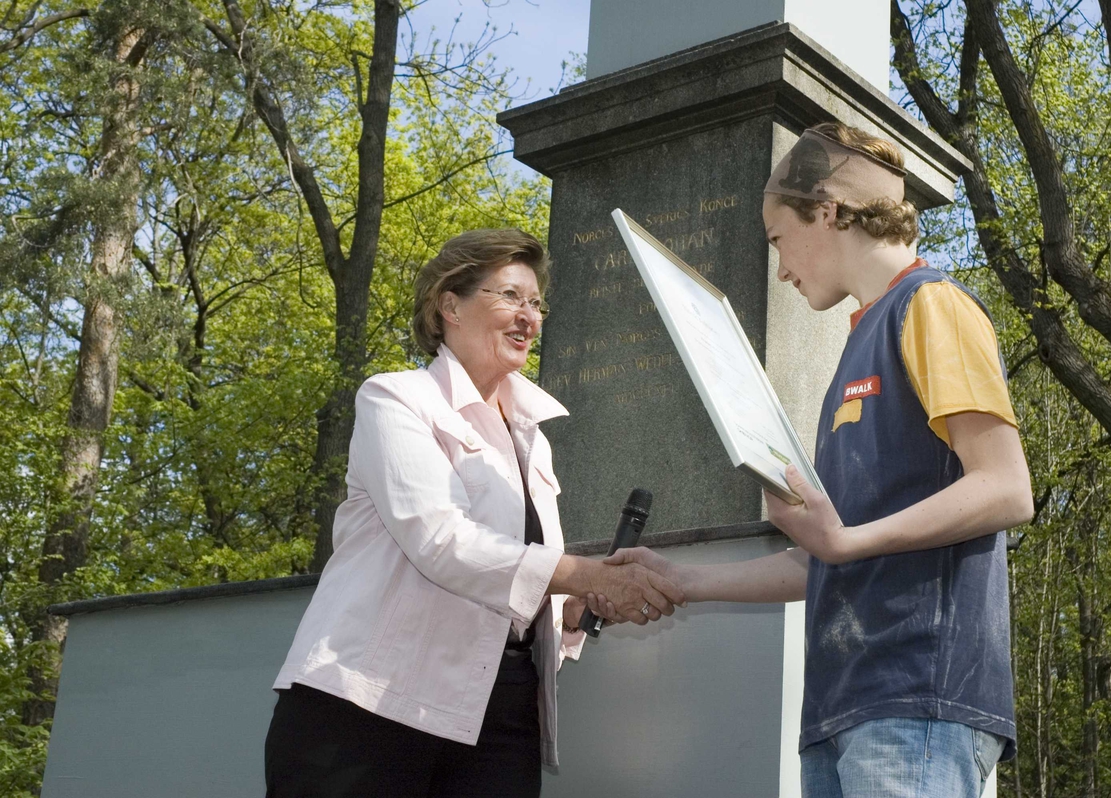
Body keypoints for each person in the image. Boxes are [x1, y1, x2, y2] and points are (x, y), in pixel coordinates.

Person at [610, 123, 1034, 798]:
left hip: (916, 697)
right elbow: (826, 557)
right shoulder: (860, 340)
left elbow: (1008, 488)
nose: (779, 267)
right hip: (847, 706)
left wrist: (845, 539)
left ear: (828, 211)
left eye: (779, 239)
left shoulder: (930, 306)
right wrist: (683, 579)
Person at [264, 228, 684, 797]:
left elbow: (519, 576)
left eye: (536, 303)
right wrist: (579, 572)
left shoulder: (534, 436)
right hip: (368, 702)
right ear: (449, 305)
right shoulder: (395, 398)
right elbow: (441, 540)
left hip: (501, 712)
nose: (528, 317)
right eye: (510, 296)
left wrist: (571, 608)